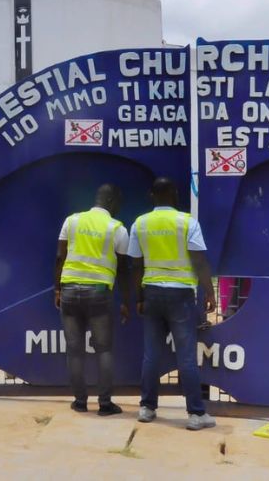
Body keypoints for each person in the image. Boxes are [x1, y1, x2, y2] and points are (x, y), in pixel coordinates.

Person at [129, 177, 217, 430]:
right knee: (186, 356)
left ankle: (147, 408)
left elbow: (135, 265)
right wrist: (209, 293)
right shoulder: (187, 222)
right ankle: (195, 414)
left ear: (151, 196)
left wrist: (139, 297)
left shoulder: (141, 223)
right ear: (175, 194)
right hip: (181, 296)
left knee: (151, 355)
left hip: (153, 293)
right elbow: (199, 260)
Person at [54, 184, 131, 416]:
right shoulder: (117, 228)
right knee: (104, 350)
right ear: (110, 202)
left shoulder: (72, 221)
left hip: (69, 291)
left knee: (74, 350)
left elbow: (60, 256)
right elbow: (125, 269)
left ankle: (79, 402)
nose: (119, 207)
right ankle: (105, 405)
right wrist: (126, 301)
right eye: (117, 202)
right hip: (98, 293)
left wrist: (57, 289)